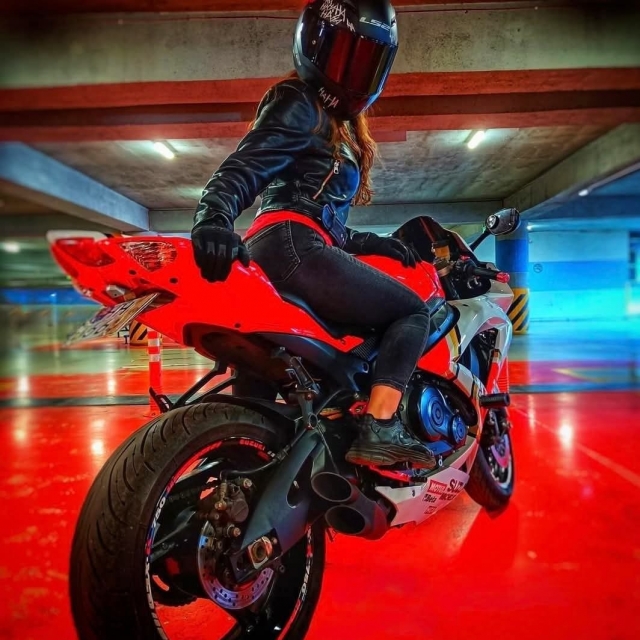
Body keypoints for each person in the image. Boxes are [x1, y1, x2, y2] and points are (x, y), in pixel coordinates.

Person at [191, 0, 435, 470]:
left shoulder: (333, 126)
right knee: (411, 312)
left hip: (277, 248)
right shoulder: (300, 101)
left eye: (365, 62)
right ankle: (381, 427)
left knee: (257, 406)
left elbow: (318, 215)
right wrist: (213, 217)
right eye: (344, 56)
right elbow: (246, 166)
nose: (353, 74)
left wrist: (374, 243)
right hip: (293, 247)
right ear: (313, 46)